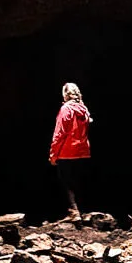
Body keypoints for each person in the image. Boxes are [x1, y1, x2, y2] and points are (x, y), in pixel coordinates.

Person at [49, 81, 92, 223]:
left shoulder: (66, 109)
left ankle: (74, 212)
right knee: (78, 181)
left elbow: (59, 133)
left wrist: (53, 154)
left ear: (65, 95)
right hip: (82, 151)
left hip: (67, 151)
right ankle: (82, 212)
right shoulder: (84, 109)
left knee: (66, 182)